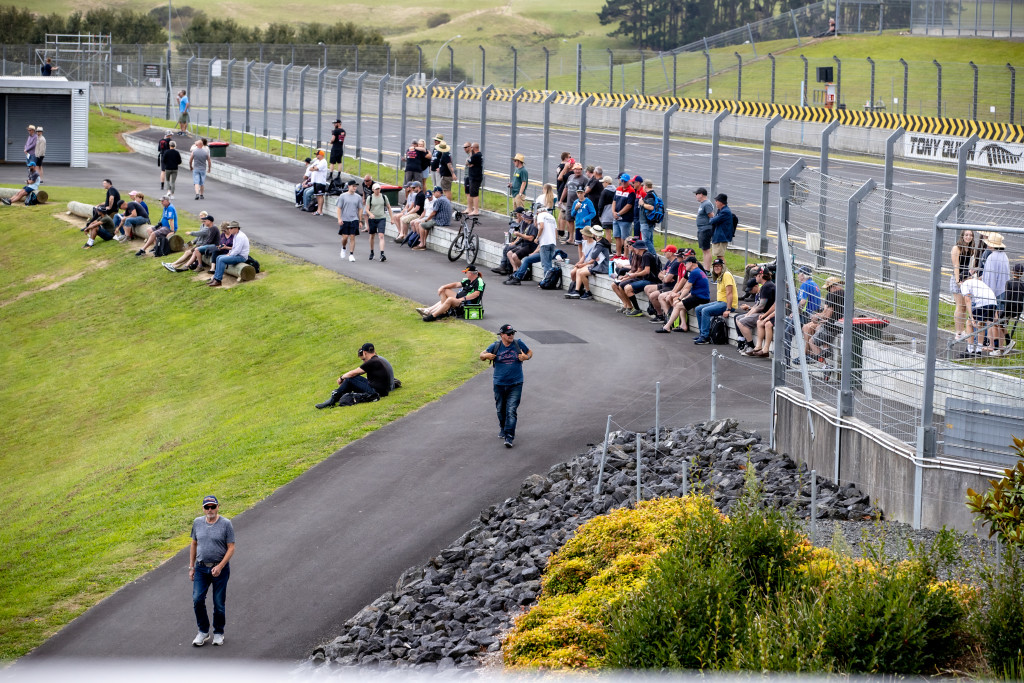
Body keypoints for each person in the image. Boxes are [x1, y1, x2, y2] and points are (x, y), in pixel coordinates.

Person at [189, 495, 235, 647]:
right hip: (201, 568)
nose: (210, 510)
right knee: (197, 599)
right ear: (203, 509)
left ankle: (218, 632)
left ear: (218, 507)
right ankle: (203, 631)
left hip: (220, 569)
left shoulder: (226, 524)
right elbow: (194, 544)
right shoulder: (197, 522)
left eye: (213, 506)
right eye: (207, 507)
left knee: (219, 603)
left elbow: (231, 547)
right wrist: (191, 567)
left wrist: (220, 566)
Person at [479, 323, 532, 448]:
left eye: (512, 333)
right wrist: (486, 356)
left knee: (511, 410)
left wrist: (526, 357)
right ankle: (503, 428)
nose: (511, 335)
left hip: (516, 383)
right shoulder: (495, 346)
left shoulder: (518, 343)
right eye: (508, 334)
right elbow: (481, 355)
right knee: (500, 410)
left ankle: (509, 436)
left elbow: (530, 352)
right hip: (499, 384)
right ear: (502, 335)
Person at [315, 342, 394, 408]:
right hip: (382, 390)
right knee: (354, 378)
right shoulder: (378, 359)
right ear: (374, 351)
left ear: (364, 353)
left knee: (350, 379)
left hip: (376, 392)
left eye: (363, 359)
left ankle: (333, 399)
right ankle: (338, 396)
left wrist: (341, 378)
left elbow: (353, 373)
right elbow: (358, 373)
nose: (364, 361)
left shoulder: (372, 362)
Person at [505, 208, 557, 285]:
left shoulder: (540, 215)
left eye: (536, 223)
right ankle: (517, 277)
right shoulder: (551, 217)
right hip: (552, 244)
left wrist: (537, 237)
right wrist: (534, 253)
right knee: (528, 260)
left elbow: (541, 226)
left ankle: (547, 282)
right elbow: (555, 232)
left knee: (546, 264)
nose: (535, 225)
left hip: (545, 245)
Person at [659, 256, 711, 333]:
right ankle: (683, 325)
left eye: (686, 263)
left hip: (701, 297)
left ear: (691, 263)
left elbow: (687, 288)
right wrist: (681, 297)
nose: (685, 265)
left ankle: (667, 326)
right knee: (681, 304)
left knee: (678, 305)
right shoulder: (698, 271)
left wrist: (679, 298)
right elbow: (693, 290)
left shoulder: (694, 272)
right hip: (699, 295)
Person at [418, 265, 486, 322]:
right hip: (459, 298)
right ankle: (443, 312)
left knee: (450, 299)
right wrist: (443, 287)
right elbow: (456, 284)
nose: (465, 274)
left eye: (466, 272)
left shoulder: (479, 281)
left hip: (467, 302)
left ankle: (433, 316)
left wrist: (462, 299)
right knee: (444, 290)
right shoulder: (468, 280)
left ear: (470, 273)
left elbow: (476, 294)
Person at [694, 259, 738, 344]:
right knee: (698, 309)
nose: (716, 268)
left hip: (727, 304)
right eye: (715, 266)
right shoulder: (720, 276)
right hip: (720, 302)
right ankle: (702, 334)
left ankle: (705, 337)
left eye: (719, 266)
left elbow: (729, 293)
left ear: (723, 267)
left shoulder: (726, 275)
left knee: (705, 311)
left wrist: (728, 309)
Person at [612, 240, 659, 316]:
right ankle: (631, 307)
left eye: (635, 247)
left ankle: (637, 309)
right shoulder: (644, 255)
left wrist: (633, 275)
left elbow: (646, 271)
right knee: (623, 286)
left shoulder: (646, 256)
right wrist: (628, 275)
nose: (634, 249)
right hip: (646, 279)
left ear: (639, 248)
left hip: (650, 280)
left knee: (627, 288)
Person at [736, 266, 777, 353]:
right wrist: (748, 314)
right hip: (764, 313)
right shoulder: (765, 285)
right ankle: (748, 344)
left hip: (766, 313)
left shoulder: (767, 286)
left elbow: (761, 306)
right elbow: (757, 305)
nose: (755, 277)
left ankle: (750, 346)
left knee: (742, 321)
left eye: (756, 275)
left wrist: (748, 315)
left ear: (761, 275)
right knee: (738, 318)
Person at [803, 276, 843, 361]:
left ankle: (824, 365)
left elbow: (828, 315)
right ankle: (825, 349)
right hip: (841, 325)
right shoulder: (846, 294)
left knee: (812, 341)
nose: (828, 291)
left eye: (828, 289)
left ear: (833, 286)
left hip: (832, 326)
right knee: (819, 328)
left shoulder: (834, 295)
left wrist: (816, 316)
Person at [565, 227, 610, 300]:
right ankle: (577, 290)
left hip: (601, 267)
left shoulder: (600, 244)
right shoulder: (601, 242)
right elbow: (593, 256)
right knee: (579, 271)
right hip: (599, 265)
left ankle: (587, 292)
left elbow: (593, 256)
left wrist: (593, 257)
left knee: (581, 273)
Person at [951, 229, 979, 339]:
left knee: (964, 307)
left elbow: (970, 266)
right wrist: (958, 281)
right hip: (957, 278)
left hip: (966, 279)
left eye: (970, 235)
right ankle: (958, 332)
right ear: (962, 236)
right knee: (959, 306)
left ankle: (962, 330)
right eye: (966, 235)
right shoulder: (957, 248)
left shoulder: (970, 249)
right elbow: (956, 266)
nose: (968, 237)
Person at [493, 210, 537, 276]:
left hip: (530, 246)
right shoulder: (527, 225)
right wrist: (516, 241)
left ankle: (523, 271)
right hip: (524, 244)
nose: (524, 219)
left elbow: (531, 238)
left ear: (528, 218)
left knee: (514, 256)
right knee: (509, 253)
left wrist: (519, 235)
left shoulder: (533, 226)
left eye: (525, 218)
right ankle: (515, 271)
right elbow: (523, 235)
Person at [208, 221, 249, 288]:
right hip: (237, 255)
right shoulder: (236, 235)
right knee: (218, 257)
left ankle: (218, 280)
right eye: (229, 228)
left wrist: (230, 255)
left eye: (231, 228)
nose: (229, 229)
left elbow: (237, 250)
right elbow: (234, 248)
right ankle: (215, 278)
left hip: (241, 257)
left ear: (236, 228)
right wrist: (229, 253)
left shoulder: (240, 236)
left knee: (221, 259)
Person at [411, 186, 453, 250]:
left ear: (438, 192)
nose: (433, 194)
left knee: (421, 225)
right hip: (447, 221)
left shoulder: (439, 200)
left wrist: (426, 219)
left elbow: (433, 213)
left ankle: (422, 244)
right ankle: (423, 242)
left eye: (434, 192)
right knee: (426, 225)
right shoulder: (445, 199)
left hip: (440, 221)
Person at [363, 183, 392, 262]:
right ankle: (372, 252)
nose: (377, 190)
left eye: (378, 189)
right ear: (373, 190)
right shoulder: (370, 197)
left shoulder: (384, 197)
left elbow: (389, 207)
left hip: (381, 218)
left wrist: (392, 218)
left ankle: (382, 253)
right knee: (372, 236)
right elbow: (367, 209)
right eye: (376, 189)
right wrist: (370, 214)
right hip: (372, 219)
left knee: (381, 235)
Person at [336, 181, 363, 262]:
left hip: (354, 219)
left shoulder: (358, 197)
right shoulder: (343, 196)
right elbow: (339, 208)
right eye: (353, 186)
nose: (355, 188)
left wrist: (360, 220)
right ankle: (343, 247)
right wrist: (339, 218)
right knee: (345, 237)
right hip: (345, 219)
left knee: (352, 236)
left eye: (355, 186)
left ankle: (351, 254)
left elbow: (360, 209)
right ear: (349, 186)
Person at [611, 173, 636, 257]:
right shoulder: (618, 189)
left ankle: (625, 255)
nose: (623, 182)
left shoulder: (631, 191)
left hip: (625, 218)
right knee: (617, 236)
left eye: (625, 181)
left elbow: (629, 205)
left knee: (625, 238)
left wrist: (619, 213)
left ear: (628, 181)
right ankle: (618, 253)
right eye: (622, 181)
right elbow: (614, 201)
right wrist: (613, 212)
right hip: (616, 217)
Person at [569, 185, 596, 260]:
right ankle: (580, 259)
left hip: (586, 226)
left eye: (581, 193)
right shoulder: (575, 202)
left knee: (586, 243)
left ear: (584, 193)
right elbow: (572, 214)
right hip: (578, 226)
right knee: (579, 243)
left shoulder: (588, 202)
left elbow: (593, 213)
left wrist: (586, 218)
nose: (580, 194)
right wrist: (576, 209)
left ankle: (586, 258)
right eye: (578, 193)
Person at [708, 193, 734, 261]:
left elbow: (713, 220)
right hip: (719, 236)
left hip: (721, 237)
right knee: (718, 255)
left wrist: (710, 219)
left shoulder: (725, 212)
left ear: (721, 202)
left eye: (717, 201)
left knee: (720, 256)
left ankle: (723, 267)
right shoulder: (721, 210)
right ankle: (720, 267)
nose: (715, 202)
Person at [694, 188, 715, 271]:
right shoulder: (703, 204)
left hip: (705, 229)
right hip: (701, 229)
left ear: (701, 194)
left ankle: (707, 269)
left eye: (696, 194)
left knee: (706, 249)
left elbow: (711, 215)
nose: (696, 196)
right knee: (704, 249)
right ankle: (705, 268)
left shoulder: (706, 204)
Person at [309, 149, 329, 216]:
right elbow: (310, 168)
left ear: (321, 155)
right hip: (315, 180)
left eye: (317, 154)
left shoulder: (323, 162)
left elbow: (317, 168)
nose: (316, 156)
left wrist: (314, 168)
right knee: (317, 195)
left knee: (320, 195)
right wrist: (314, 167)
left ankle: (320, 210)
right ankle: (318, 210)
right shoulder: (317, 161)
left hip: (320, 181)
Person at [466, 142, 483, 216]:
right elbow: (469, 163)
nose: (470, 149)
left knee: (475, 194)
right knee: (473, 193)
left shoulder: (476, 155)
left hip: (475, 176)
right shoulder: (479, 155)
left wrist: (470, 162)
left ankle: (476, 210)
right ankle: (474, 209)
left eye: (471, 148)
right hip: (475, 176)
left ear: (474, 148)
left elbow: (468, 162)